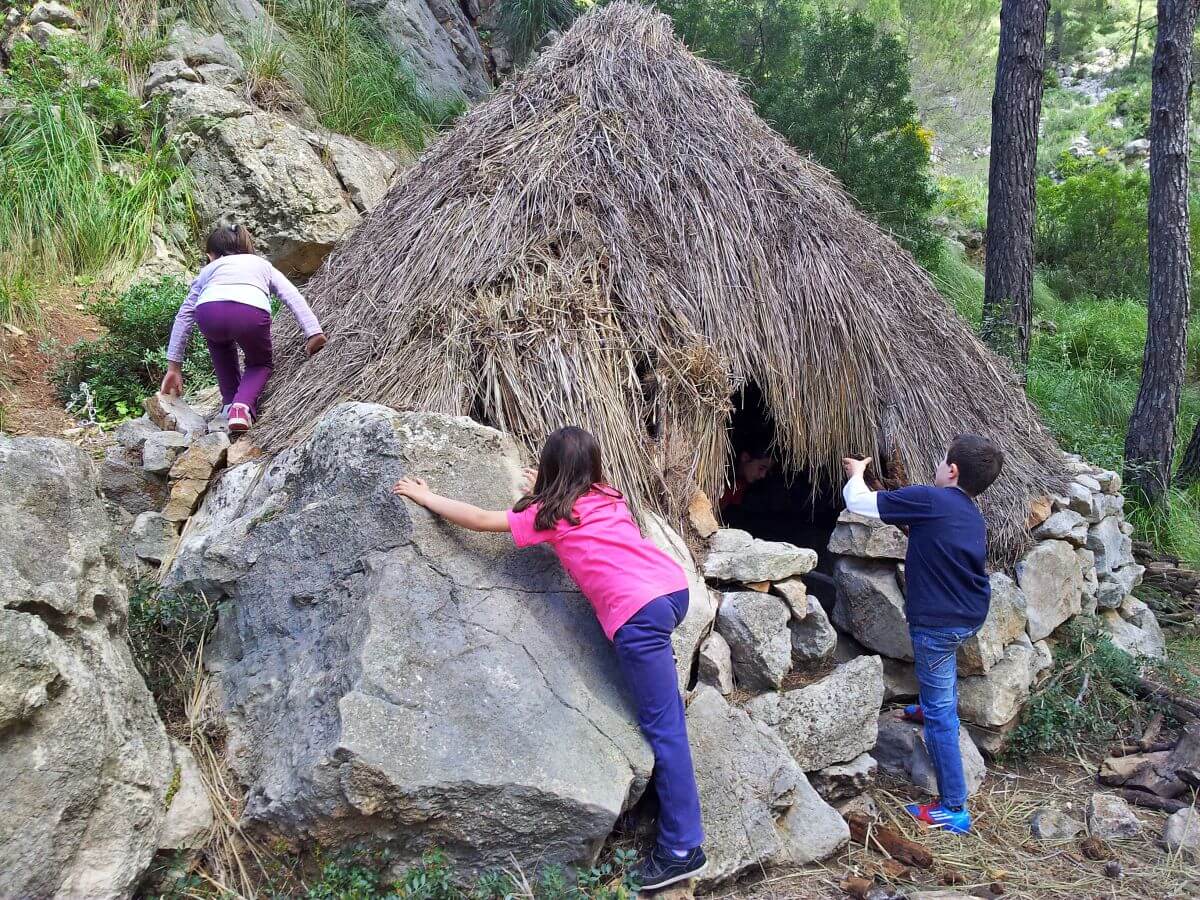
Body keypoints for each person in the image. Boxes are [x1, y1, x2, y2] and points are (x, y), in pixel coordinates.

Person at [392, 426, 707, 889]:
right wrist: (549, 483)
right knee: (664, 708)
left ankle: (683, 848)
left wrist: (427, 496)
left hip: (638, 616)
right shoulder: (607, 494)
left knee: (664, 728)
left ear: (553, 472)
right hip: (671, 591)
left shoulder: (548, 515)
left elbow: (480, 520)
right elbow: (573, 494)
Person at [841, 434, 1004, 836]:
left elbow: (858, 503)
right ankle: (929, 703)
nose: (936, 466)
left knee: (941, 717)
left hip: (938, 623)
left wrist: (858, 473)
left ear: (952, 471)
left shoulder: (933, 500)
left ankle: (954, 808)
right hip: (969, 615)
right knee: (939, 671)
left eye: (941, 460)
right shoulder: (968, 511)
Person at [160, 223, 327, 433]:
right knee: (260, 363)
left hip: (209, 311)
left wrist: (173, 367)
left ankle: (229, 403)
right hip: (250, 312)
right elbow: (291, 295)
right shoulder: (261, 264)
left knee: (218, 345)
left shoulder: (208, 270)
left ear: (212, 255)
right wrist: (313, 332)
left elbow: (184, 314)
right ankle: (241, 407)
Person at [718, 447, 774, 513]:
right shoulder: (719, 475)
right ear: (745, 457)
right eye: (761, 468)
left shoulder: (742, 485)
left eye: (767, 471)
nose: (763, 476)